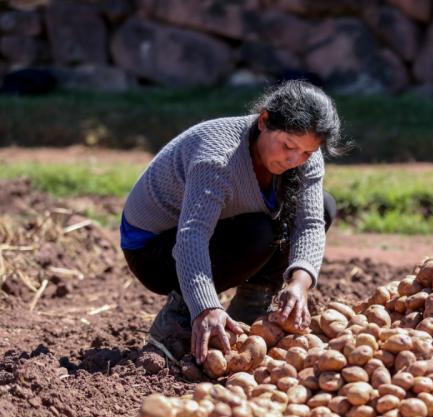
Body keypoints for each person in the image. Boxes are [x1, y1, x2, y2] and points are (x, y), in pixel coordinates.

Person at [120, 80, 346, 364]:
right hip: (154, 252)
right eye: (288, 146)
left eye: (306, 152)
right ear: (264, 121)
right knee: (259, 232)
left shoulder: (304, 158)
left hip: (218, 233)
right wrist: (205, 307)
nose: (294, 159)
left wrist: (299, 284)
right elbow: (192, 236)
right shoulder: (219, 157)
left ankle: (252, 303)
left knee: (323, 205)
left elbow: (311, 223)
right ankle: (177, 322)